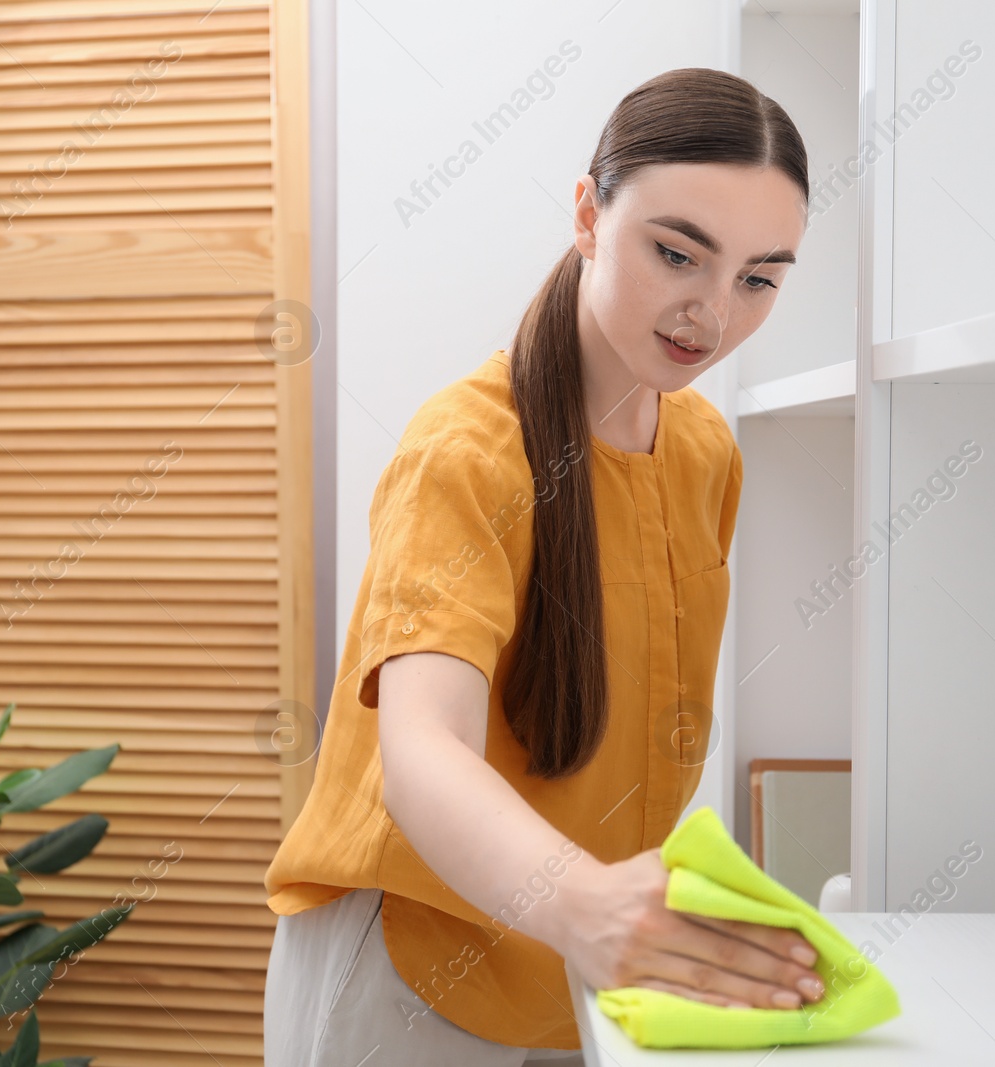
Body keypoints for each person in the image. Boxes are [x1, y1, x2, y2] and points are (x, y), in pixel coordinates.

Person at [263, 66, 818, 1065]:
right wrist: (591, 903)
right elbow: (422, 750)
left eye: (757, 278)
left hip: (568, 971)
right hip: (412, 957)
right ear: (587, 213)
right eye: (677, 252)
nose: (711, 311)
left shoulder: (703, 452)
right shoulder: (467, 450)